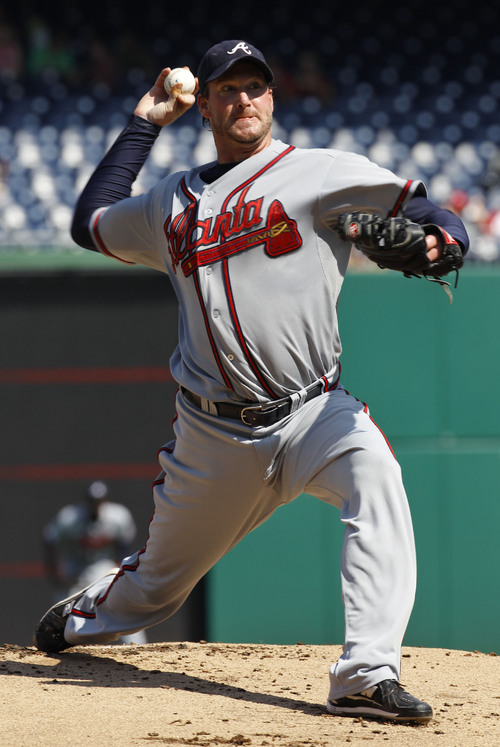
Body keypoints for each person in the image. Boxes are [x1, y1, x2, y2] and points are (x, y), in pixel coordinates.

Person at [33, 40, 469, 723]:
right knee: (157, 588)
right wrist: (145, 122)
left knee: (378, 478)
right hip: (215, 435)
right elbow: (90, 224)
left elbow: (426, 210)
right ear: (204, 106)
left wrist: (444, 241)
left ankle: (366, 672)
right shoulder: (169, 203)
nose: (243, 98)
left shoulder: (322, 171)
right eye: (227, 89)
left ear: (272, 96)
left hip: (316, 411)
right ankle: (85, 614)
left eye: (255, 86)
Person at [42, 480, 146, 644]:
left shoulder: (117, 516)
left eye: (99, 501)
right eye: (93, 501)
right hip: (75, 569)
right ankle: (52, 644)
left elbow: (124, 546)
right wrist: (55, 575)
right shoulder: (70, 517)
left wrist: (122, 571)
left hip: (102, 566)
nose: (96, 505)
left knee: (122, 605)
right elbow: (49, 540)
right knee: (61, 611)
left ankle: (137, 646)